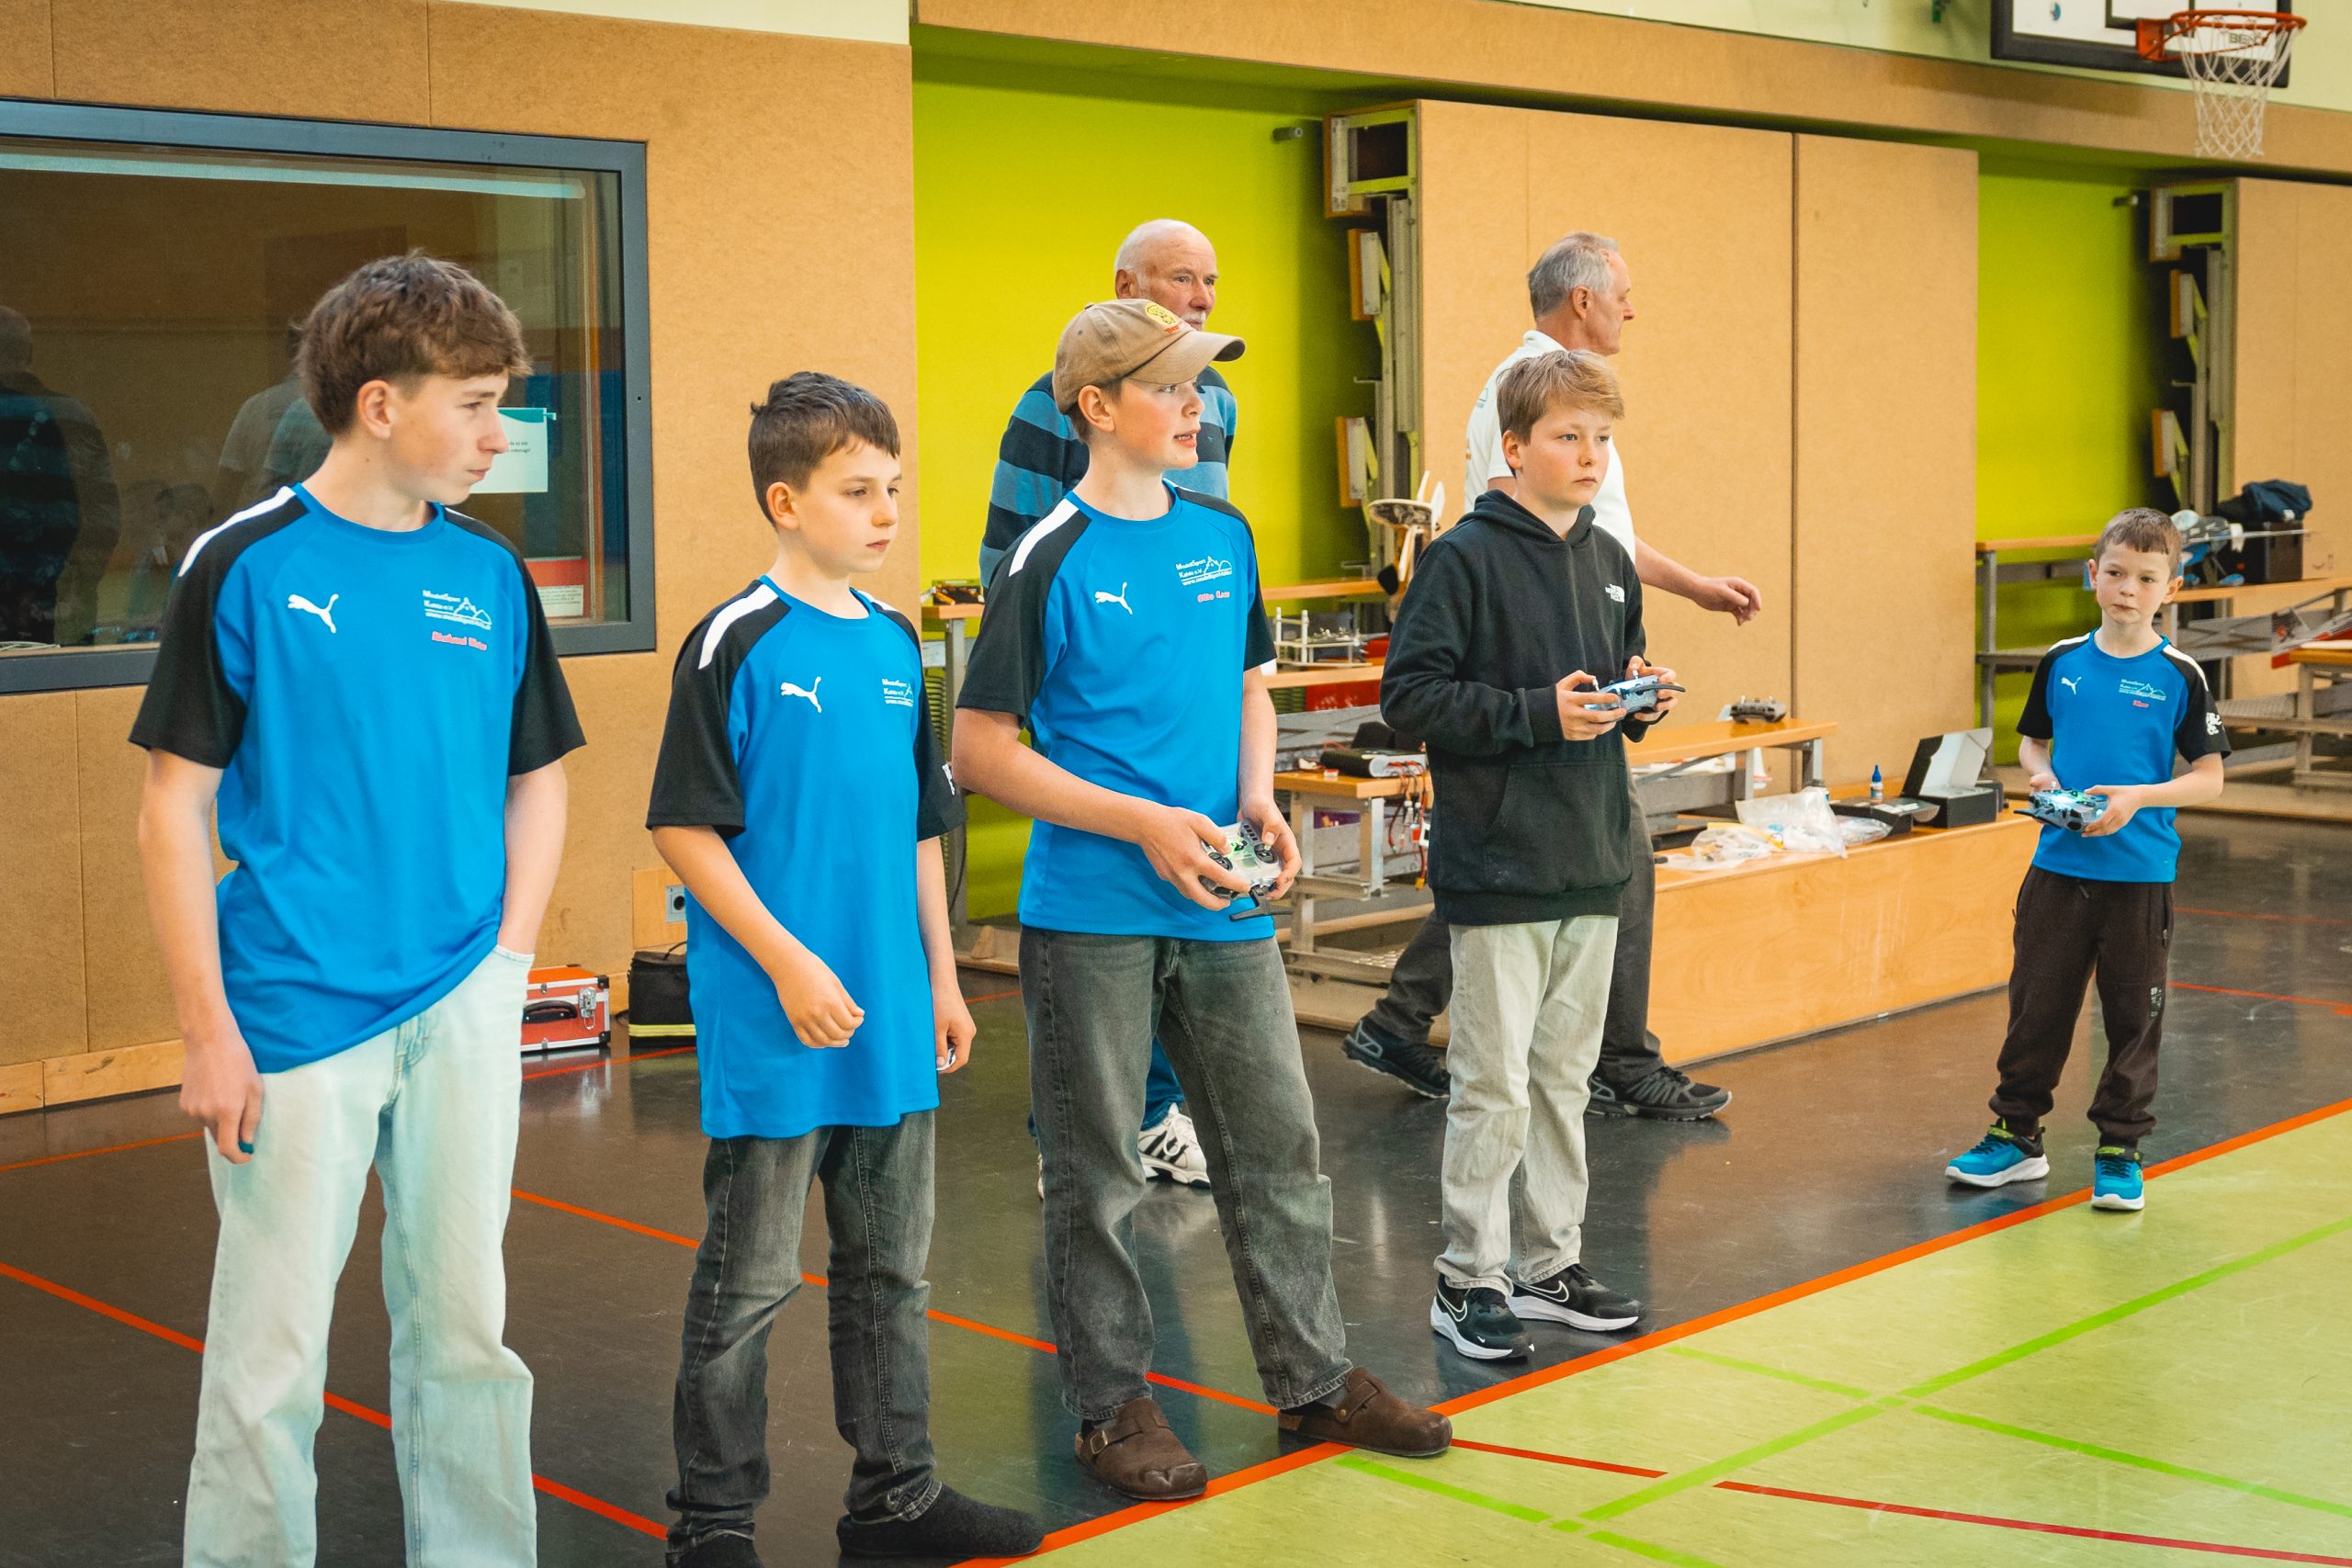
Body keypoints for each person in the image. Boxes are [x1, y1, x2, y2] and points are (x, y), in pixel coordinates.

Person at [954, 299, 1451, 1500]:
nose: (1198, 406)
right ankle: (1111, 1406)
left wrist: (1257, 796)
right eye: (1171, 387)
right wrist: (1140, 821)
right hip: (1092, 912)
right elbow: (978, 751)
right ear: (1096, 407)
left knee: (1279, 1150)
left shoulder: (1224, 535)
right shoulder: (1046, 559)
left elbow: (1248, 687)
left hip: (1222, 903)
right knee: (1098, 1176)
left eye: (1200, 386)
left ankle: (1312, 1378)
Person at [131, 253, 582, 1567]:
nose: (499, 435)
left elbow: (539, 780)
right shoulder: (242, 564)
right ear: (380, 405)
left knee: (468, 1332)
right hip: (291, 1015)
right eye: (476, 405)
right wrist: (206, 1031)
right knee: (269, 1355)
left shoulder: (490, 574)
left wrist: (506, 963)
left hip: (462, 1001)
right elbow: (172, 810)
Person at [647, 373, 1042, 1567]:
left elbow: (921, 828)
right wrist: (788, 965)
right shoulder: (732, 642)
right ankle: (712, 1523)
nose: (885, 514)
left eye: (892, 490)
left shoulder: (894, 643)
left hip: (889, 1014)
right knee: (750, 1280)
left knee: (891, 1272)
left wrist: (943, 977)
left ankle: (896, 1497)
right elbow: (684, 828)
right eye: (857, 492)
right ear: (786, 501)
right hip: (777, 1016)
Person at [1342, 231, 1755, 1121]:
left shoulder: (1578, 420)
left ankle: (1406, 1020)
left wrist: (1680, 604)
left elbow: (1600, 536)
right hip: (1523, 689)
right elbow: (1521, 535)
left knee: (1558, 874)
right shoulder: (1525, 400)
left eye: (1598, 440)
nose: (1633, 309)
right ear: (1581, 300)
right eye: (1622, 293)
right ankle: (1620, 1059)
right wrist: (1535, 701)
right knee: (1558, 878)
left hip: (1569, 707)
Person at [1383, 349, 1668, 1360]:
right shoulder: (1462, 559)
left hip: (1590, 857)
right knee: (1493, 1084)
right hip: (1498, 865)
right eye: (1567, 437)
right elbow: (1410, 698)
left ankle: (1550, 1263)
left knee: (1563, 1079)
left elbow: (1602, 685)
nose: (1590, 456)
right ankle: (1468, 1277)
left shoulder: (1608, 558)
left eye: (1602, 438)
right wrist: (1537, 713)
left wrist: (1635, 698)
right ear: (1513, 447)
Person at [979, 220, 1234, 1190]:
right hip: (1094, 699)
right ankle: (1076, 1134)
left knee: (1181, 906)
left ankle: (1156, 1112)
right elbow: (1012, 556)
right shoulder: (1046, 406)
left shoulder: (1218, 403)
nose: (1200, 296)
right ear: (1127, 286)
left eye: (1210, 280)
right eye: (1181, 278)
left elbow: (1203, 540)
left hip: (1183, 700)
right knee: (1101, 931)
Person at [1944, 508, 2228, 1213]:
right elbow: (2032, 742)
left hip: (2139, 877)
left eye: (2147, 578)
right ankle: (2016, 1136)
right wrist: (2041, 775)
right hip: (2058, 870)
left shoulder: (2181, 675)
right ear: (2092, 575)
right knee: (2036, 1006)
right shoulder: (2062, 661)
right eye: (2117, 573)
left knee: (2133, 1017)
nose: (2129, 588)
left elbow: (2210, 777)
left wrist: (2138, 797)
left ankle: (2120, 1148)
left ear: (2171, 588)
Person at [0, 303, 120, 647]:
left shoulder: (67, 415)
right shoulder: (72, 415)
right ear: (30, 353)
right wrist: (80, 589)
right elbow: (104, 515)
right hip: (57, 607)